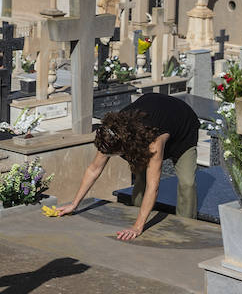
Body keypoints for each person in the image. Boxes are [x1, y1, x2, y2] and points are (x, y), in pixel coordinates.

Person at [53, 92, 199, 240]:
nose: (110, 157)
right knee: (141, 176)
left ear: (124, 146)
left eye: (114, 154)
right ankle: (136, 211)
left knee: (187, 182)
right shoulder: (111, 134)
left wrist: (137, 227)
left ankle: (185, 225)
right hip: (152, 121)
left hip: (183, 128)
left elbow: (153, 187)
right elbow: (94, 169)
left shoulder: (153, 143)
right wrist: (74, 204)